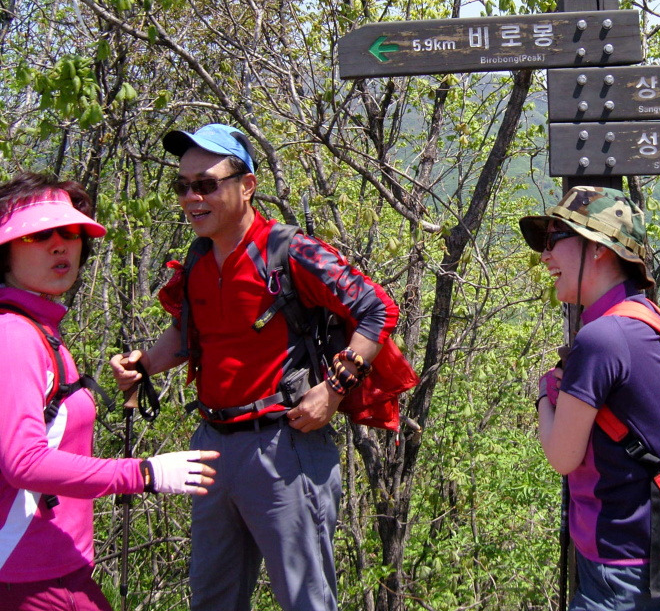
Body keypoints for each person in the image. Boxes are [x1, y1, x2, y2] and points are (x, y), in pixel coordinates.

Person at [109, 123, 400, 611]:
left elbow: (378, 308)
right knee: (212, 600)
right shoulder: (199, 258)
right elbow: (189, 333)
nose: (190, 197)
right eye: (182, 186)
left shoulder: (292, 253)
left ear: (246, 186)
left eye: (205, 184)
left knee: (305, 600)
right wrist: (145, 364)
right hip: (211, 447)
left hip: (284, 446)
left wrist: (334, 388)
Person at [0, 171, 218, 611]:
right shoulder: (15, 336)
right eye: (38, 235)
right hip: (26, 573)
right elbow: (22, 461)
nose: (61, 244)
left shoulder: (39, 328)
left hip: (51, 568)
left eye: (70, 231)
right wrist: (144, 474)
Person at [519, 185, 660, 610]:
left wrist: (545, 396)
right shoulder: (649, 318)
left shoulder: (601, 339)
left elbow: (563, 457)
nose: (544, 256)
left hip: (621, 564)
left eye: (553, 240)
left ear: (598, 247)